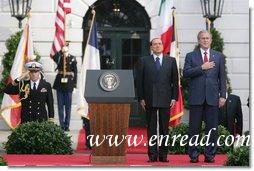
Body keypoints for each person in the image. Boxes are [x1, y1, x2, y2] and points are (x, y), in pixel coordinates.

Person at [183, 30, 226, 163]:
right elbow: (186, 73)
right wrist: (202, 67)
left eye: (207, 38)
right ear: (199, 40)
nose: (205, 40)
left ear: (211, 40)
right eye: (203, 38)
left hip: (212, 97)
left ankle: (210, 155)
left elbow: (222, 78)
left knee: (212, 128)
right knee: (194, 128)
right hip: (196, 97)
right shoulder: (191, 56)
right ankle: (194, 155)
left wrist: (222, 96)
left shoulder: (218, 56)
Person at [137, 38, 178, 162]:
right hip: (150, 99)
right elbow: (139, 82)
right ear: (151, 47)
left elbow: (175, 81)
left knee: (164, 128)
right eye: (155, 44)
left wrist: (174, 97)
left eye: (159, 44)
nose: (157, 46)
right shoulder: (144, 61)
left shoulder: (171, 61)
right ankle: (152, 155)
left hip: (166, 99)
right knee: (151, 128)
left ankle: (163, 155)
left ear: (163, 46)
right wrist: (141, 98)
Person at [53, 43, 77, 131]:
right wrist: (60, 51)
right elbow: (53, 56)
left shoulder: (72, 58)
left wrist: (74, 85)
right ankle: (62, 125)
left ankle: (67, 125)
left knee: (68, 106)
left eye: (66, 46)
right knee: (60, 106)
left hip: (69, 84)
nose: (64, 48)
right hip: (59, 84)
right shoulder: (59, 57)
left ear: (68, 47)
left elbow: (75, 72)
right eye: (63, 46)